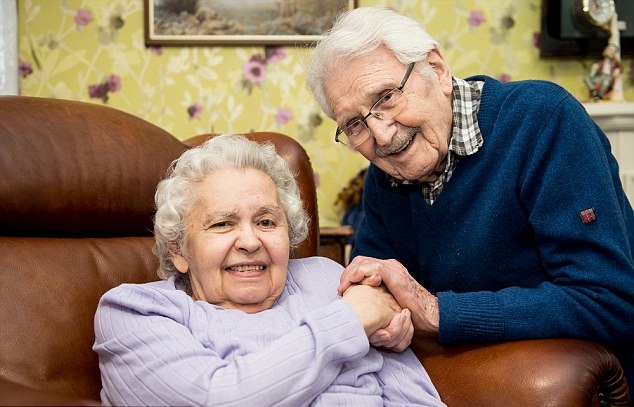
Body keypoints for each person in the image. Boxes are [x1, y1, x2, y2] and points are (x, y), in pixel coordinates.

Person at [306, 7, 634, 387]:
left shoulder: (544, 121)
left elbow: (610, 300)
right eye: (354, 124)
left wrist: (439, 312)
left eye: (386, 97)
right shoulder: (386, 175)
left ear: (438, 69)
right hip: (460, 378)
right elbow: (379, 288)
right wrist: (385, 317)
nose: (380, 135)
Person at [93, 134, 446, 406]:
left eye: (266, 221)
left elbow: (412, 394)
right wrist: (348, 322)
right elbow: (215, 399)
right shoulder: (134, 312)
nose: (249, 241)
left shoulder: (327, 279)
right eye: (222, 224)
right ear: (179, 250)